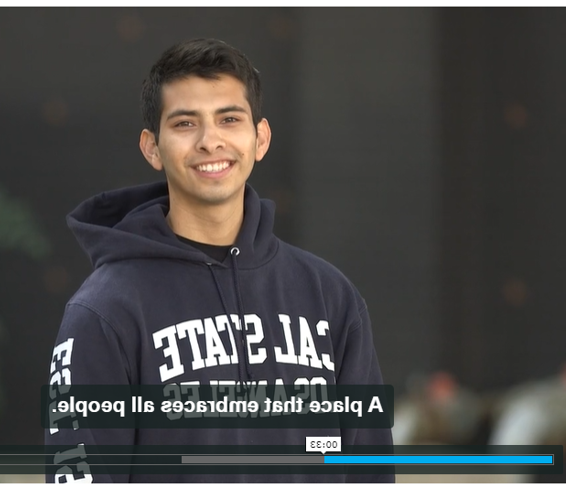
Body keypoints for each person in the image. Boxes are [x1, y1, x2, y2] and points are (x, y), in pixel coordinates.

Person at [45, 38, 393, 483]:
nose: (211, 141)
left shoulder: (330, 297)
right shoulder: (104, 311)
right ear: (152, 148)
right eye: (186, 123)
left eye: (229, 119)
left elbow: (366, 466)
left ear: (259, 138)